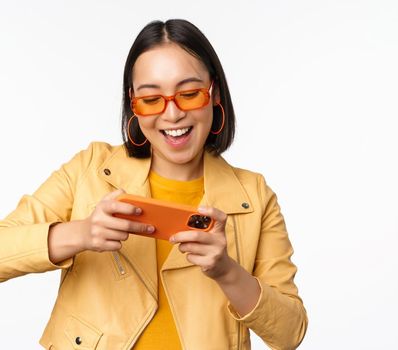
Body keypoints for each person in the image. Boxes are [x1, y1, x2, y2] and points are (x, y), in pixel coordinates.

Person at [0, 19, 307, 349]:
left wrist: (226, 271)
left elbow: (290, 333)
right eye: (151, 99)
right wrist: (82, 233)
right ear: (133, 102)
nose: (172, 114)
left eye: (189, 94)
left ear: (214, 93)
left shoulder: (254, 196)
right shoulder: (89, 169)